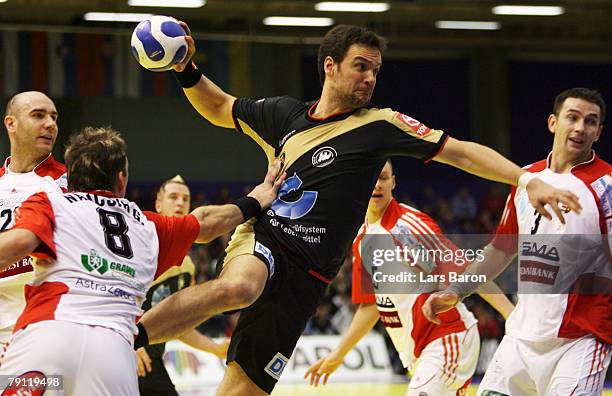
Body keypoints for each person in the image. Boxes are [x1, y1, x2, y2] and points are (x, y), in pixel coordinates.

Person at [136, 23, 582, 395]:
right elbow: (218, 106)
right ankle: (128, 335)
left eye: (375, 70)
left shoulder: (380, 126)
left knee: (240, 391)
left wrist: (525, 178)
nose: (370, 78)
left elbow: (460, 152)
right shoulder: (284, 116)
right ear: (330, 67)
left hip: (308, 278)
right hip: (266, 238)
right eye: (360, 67)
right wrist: (185, 67)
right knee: (240, 288)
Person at [0, 126, 282, 395]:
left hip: (46, 335)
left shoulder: (49, 203)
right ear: (121, 178)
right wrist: (257, 199)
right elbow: (206, 222)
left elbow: (19, 243)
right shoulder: (148, 225)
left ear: (69, 178)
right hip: (114, 352)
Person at [422, 87, 611, 395]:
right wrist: (456, 292)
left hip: (580, 342)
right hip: (520, 340)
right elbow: (500, 249)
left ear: (599, 132)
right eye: (572, 118)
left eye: (590, 122)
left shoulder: (606, 187)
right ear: (553, 122)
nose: (580, 128)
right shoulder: (525, 177)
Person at [304, 160, 515, 395]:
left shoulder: (408, 227)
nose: (377, 185)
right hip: (419, 352)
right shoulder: (363, 238)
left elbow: (468, 271)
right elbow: (371, 306)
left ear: (393, 182)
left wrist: (510, 315)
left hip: (447, 337)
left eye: (383, 177)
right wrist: (339, 354)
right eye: (371, 177)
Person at [137, 174, 229, 395]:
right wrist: (128, 342)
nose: (180, 203)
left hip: (150, 362)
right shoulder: (140, 245)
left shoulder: (187, 265)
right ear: (158, 205)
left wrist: (216, 349)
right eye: (173, 197)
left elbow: (175, 324)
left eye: (185, 199)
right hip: (122, 354)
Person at [0, 91, 66, 348]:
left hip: (43, 330)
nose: (50, 124)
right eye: (38, 115)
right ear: (11, 124)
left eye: (53, 117)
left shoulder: (70, 184)